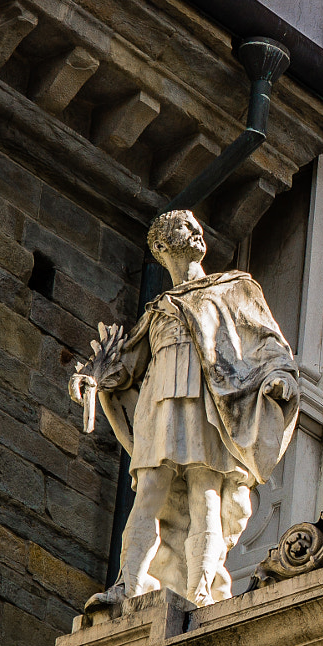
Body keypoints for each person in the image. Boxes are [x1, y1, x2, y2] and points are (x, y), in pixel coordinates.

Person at [72, 210, 299, 610]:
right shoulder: (157, 311)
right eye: (183, 226)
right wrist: (91, 378)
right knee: (148, 496)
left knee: (205, 495)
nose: (196, 230)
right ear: (160, 246)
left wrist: (279, 377)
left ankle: (201, 590)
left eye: (196, 226)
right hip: (158, 405)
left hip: (205, 403)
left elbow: (269, 342)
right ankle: (128, 585)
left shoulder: (233, 288)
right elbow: (125, 369)